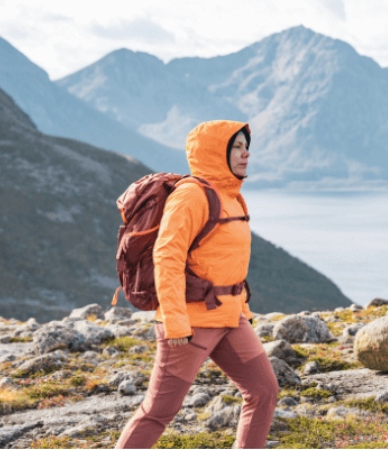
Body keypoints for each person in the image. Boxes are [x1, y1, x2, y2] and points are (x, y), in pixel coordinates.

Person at [116, 120, 279, 449]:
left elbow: (226, 261)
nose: (245, 153)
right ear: (215, 151)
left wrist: (242, 307)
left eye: (246, 146)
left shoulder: (232, 197)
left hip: (229, 318)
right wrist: (175, 321)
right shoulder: (191, 195)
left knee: (264, 391)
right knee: (159, 410)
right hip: (191, 322)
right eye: (236, 147)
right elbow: (167, 256)